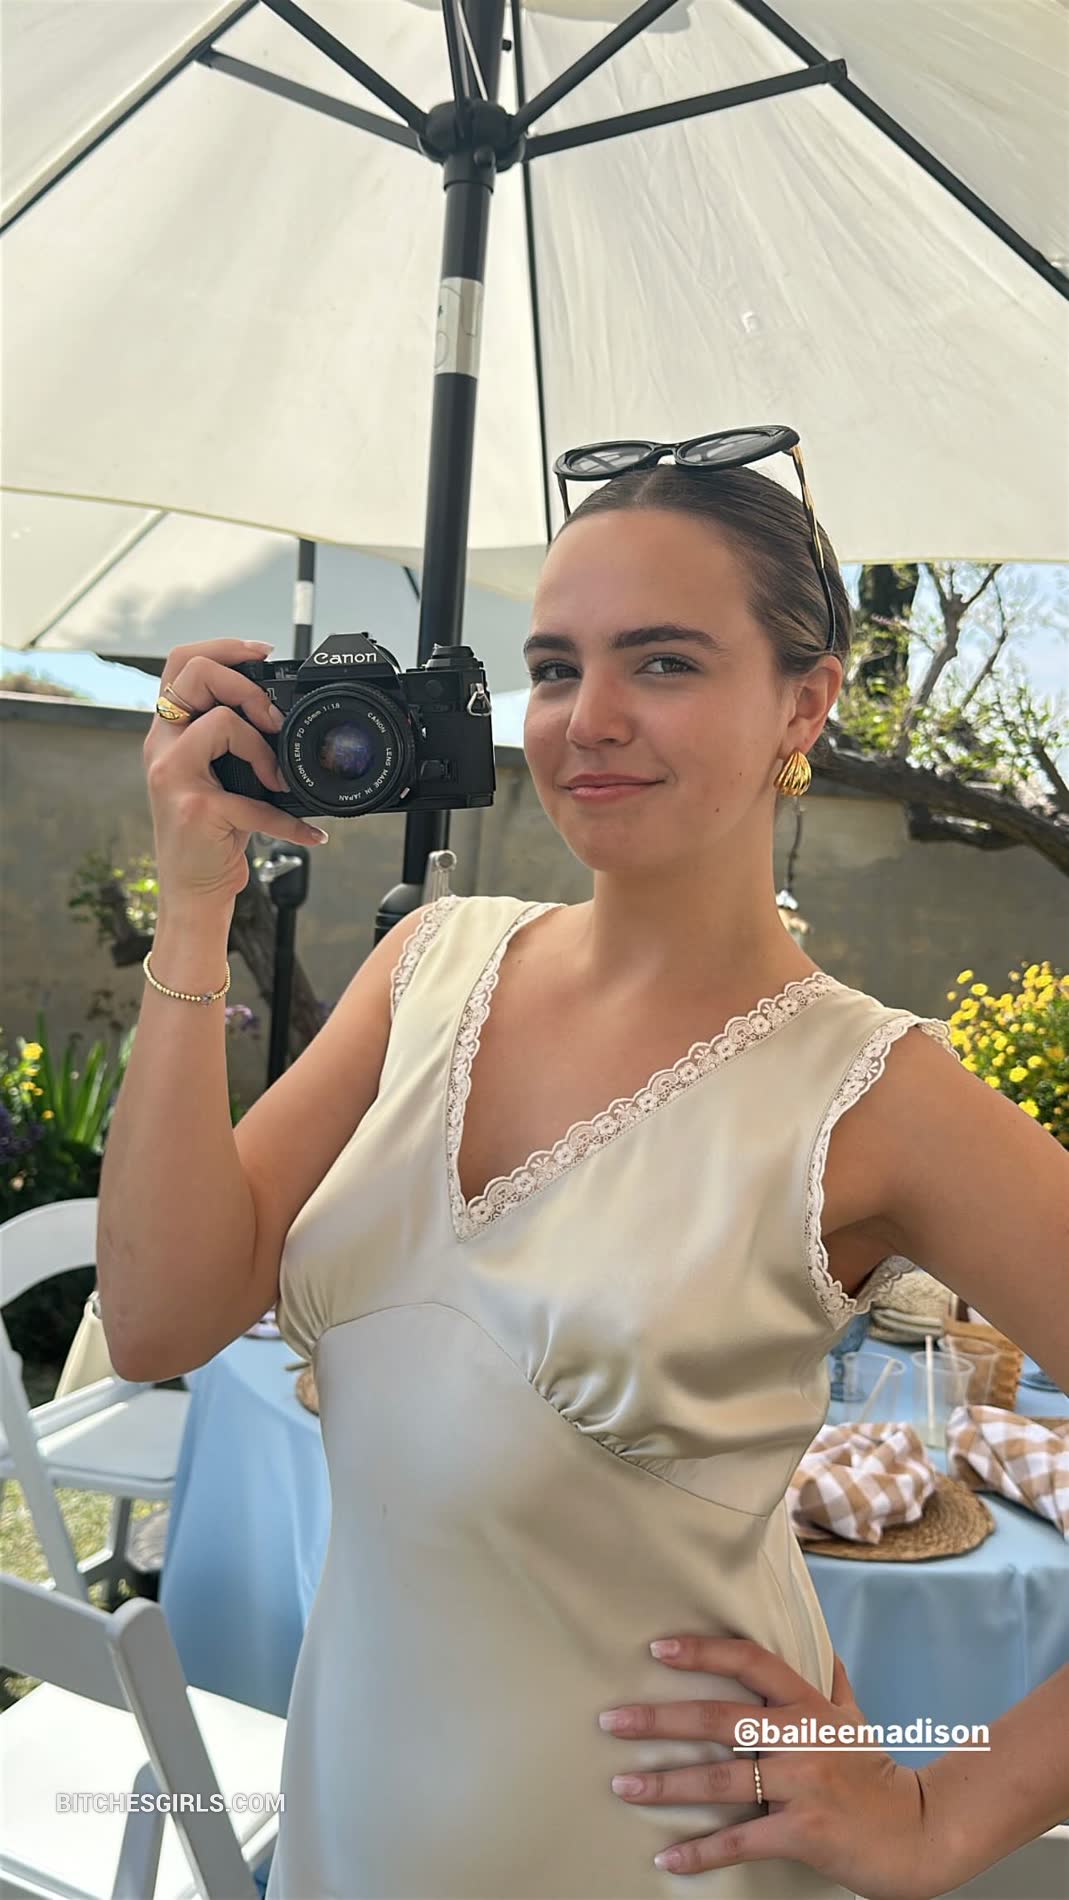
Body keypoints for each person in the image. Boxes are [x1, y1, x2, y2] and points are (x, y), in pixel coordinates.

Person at [97, 437, 1069, 1899]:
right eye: (555, 667)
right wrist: (192, 905)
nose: (589, 721)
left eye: (664, 662)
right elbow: (158, 1319)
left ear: (804, 701)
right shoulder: (426, 969)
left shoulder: (873, 1093)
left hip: (658, 1852)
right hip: (360, 1808)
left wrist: (937, 1818)